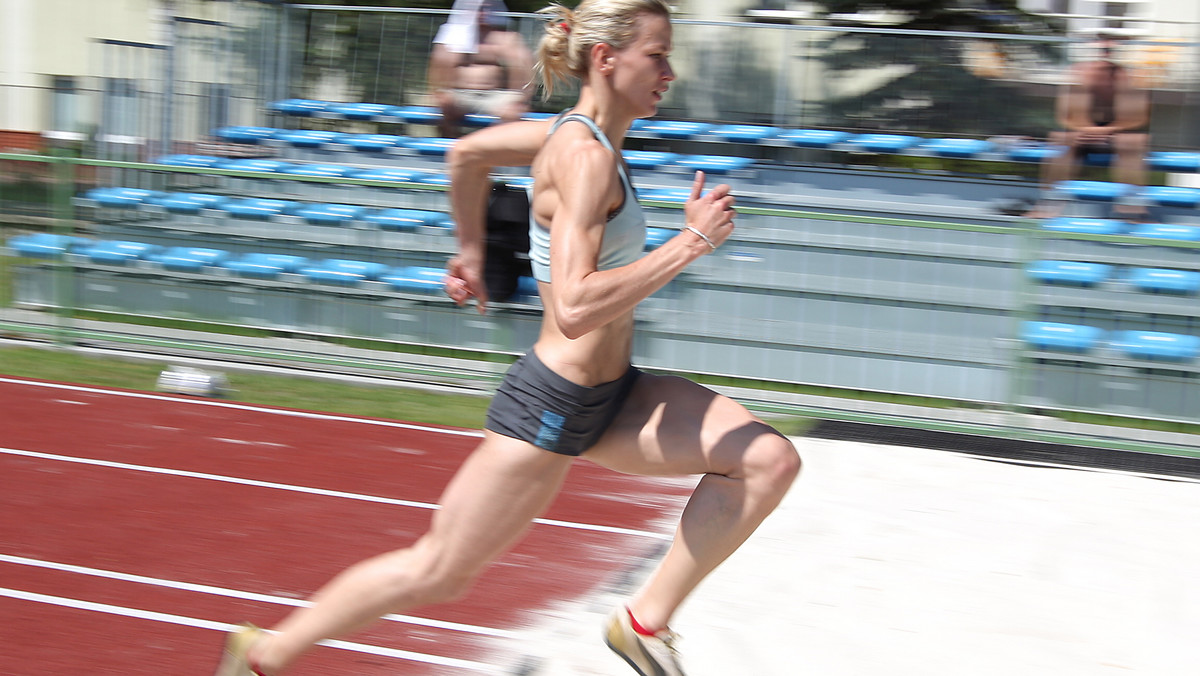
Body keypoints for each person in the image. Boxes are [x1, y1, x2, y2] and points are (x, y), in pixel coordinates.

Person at [215, 2, 801, 675]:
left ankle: (643, 625)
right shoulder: (583, 157)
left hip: (617, 395)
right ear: (607, 60)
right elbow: (577, 307)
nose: (670, 71)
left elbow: (466, 155)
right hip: (553, 403)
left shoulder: (577, 137)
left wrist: (469, 251)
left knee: (767, 461)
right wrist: (690, 242)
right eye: (657, 55)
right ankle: (261, 655)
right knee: (439, 571)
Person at [1025, 31, 1150, 219]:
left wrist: (1110, 129)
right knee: (1061, 140)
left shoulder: (1128, 76)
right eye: (1101, 43)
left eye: (1110, 44)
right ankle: (1049, 204)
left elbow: (1138, 117)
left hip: (1117, 133)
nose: (1105, 48)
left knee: (1133, 143)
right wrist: (1085, 129)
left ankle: (1132, 210)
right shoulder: (1078, 73)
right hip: (1083, 132)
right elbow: (1065, 114)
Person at [429, 0, 535, 138]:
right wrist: (438, 92)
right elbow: (439, 65)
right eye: (476, 9)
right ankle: (452, 146)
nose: (481, 13)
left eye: (485, 9)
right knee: (444, 103)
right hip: (460, 94)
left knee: (513, 111)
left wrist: (521, 97)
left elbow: (523, 67)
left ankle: (491, 148)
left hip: (495, 95)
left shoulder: (504, 37)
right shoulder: (452, 36)